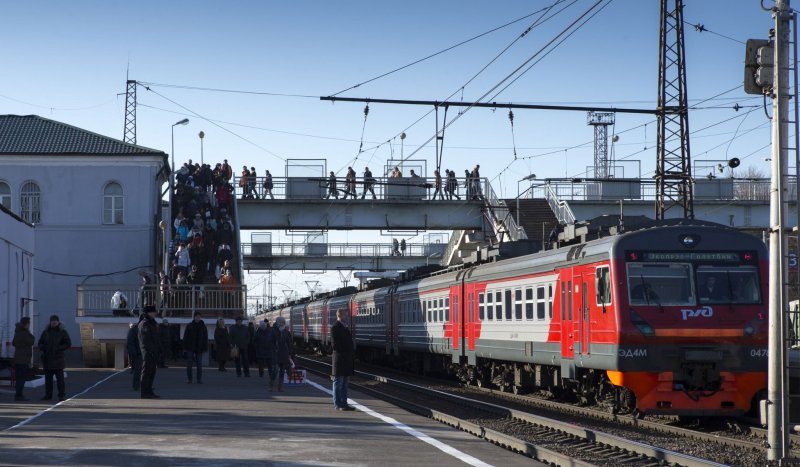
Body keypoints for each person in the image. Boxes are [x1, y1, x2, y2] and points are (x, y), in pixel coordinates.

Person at [38, 314, 72, 402]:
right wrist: (44, 347)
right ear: (50, 322)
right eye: (52, 321)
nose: (54, 322)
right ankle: (48, 395)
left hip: (58, 360)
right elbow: (40, 343)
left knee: (60, 380)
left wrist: (59, 348)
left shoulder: (62, 332)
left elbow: (68, 343)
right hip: (47, 360)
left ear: (58, 322)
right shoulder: (46, 332)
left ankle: (61, 395)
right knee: (48, 380)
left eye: (55, 321)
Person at [331, 309, 355, 410]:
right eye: (345, 315)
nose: (347, 317)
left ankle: (344, 403)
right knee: (338, 383)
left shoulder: (345, 327)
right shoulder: (335, 327)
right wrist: (346, 352)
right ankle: (338, 404)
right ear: (339, 315)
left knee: (345, 384)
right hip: (340, 359)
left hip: (346, 360)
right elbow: (335, 345)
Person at [138, 305, 160, 399]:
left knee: (152, 373)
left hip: (153, 351)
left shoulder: (152, 323)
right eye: (153, 312)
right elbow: (146, 340)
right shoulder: (145, 324)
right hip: (147, 352)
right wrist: (150, 351)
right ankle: (144, 392)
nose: (155, 313)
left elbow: (155, 338)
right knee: (146, 373)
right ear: (148, 313)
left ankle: (149, 391)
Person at [267, 316, 293, 392]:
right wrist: (274, 347)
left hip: (284, 354)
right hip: (276, 354)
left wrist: (290, 353)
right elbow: (269, 341)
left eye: (283, 322)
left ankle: (280, 387)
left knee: (282, 371)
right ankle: (271, 385)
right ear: (278, 322)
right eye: (281, 322)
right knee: (275, 370)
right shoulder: (273, 331)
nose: (282, 323)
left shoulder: (286, 331)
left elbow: (289, 343)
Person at [12, 317, 34, 401]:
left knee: (19, 377)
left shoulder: (18, 332)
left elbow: (14, 342)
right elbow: (31, 341)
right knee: (21, 378)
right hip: (23, 358)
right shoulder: (24, 333)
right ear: (26, 324)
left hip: (19, 358)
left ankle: (18, 394)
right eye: (29, 323)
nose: (29, 325)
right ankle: (19, 395)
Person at [183, 311, 208, 384]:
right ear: (194, 317)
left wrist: (205, 347)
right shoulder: (189, 325)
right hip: (190, 347)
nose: (198, 318)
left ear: (200, 317)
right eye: (196, 316)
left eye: (199, 316)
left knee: (199, 365)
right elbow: (185, 337)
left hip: (199, 348)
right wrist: (184, 347)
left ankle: (199, 379)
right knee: (189, 364)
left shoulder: (203, 326)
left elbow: (205, 338)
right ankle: (189, 379)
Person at [127, 321, 142, 391]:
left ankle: (142, 385)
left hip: (139, 353)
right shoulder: (133, 331)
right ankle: (136, 386)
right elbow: (131, 343)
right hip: (137, 354)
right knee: (137, 370)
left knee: (141, 371)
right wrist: (134, 353)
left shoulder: (136, 330)